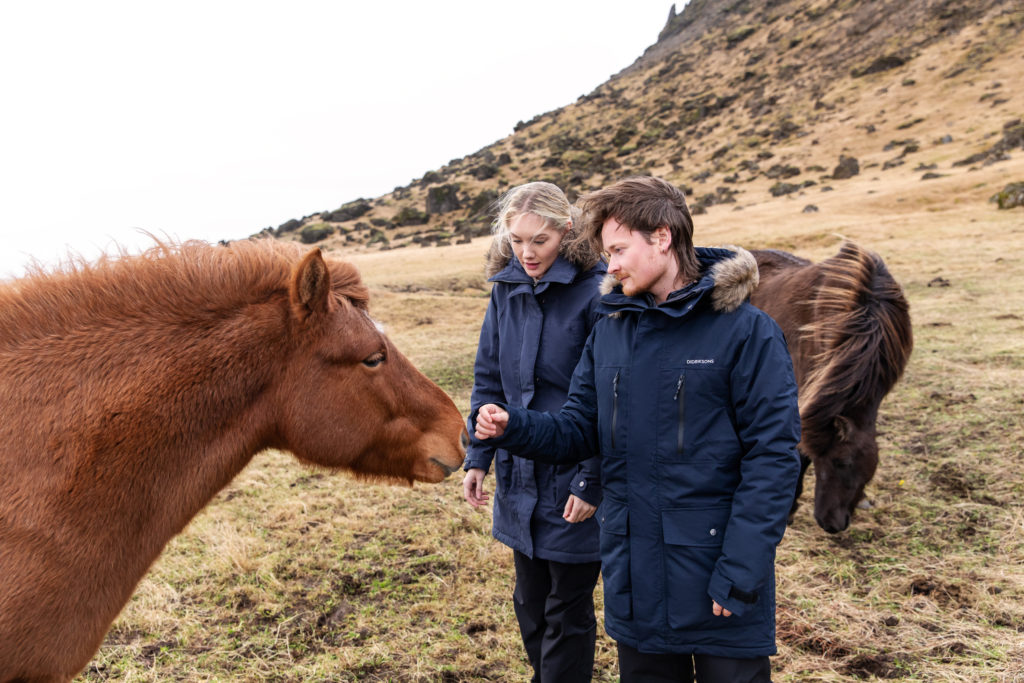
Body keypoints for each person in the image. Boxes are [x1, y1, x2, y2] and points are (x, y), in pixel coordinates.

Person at [473, 176, 802, 683]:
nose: (613, 265)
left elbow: (774, 460)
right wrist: (512, 427)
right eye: (608, 252)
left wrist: (741, 569)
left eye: (620, 250)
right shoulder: (612, 331)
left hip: (719, 581)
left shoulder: (747, 331)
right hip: (637, 585)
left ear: (663, 238)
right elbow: (577, 430)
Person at [463, 181, 606, 682]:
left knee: (566, 612)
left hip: (573, 478)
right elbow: (488, 380)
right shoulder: (506, 288)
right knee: (529, 603)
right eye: (517, 239)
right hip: (519, 478)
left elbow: (613, 401)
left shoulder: (597, 292)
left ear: (565, 231)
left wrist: (592, 479)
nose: (526, 252)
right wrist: (479, 456)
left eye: (539, 241)